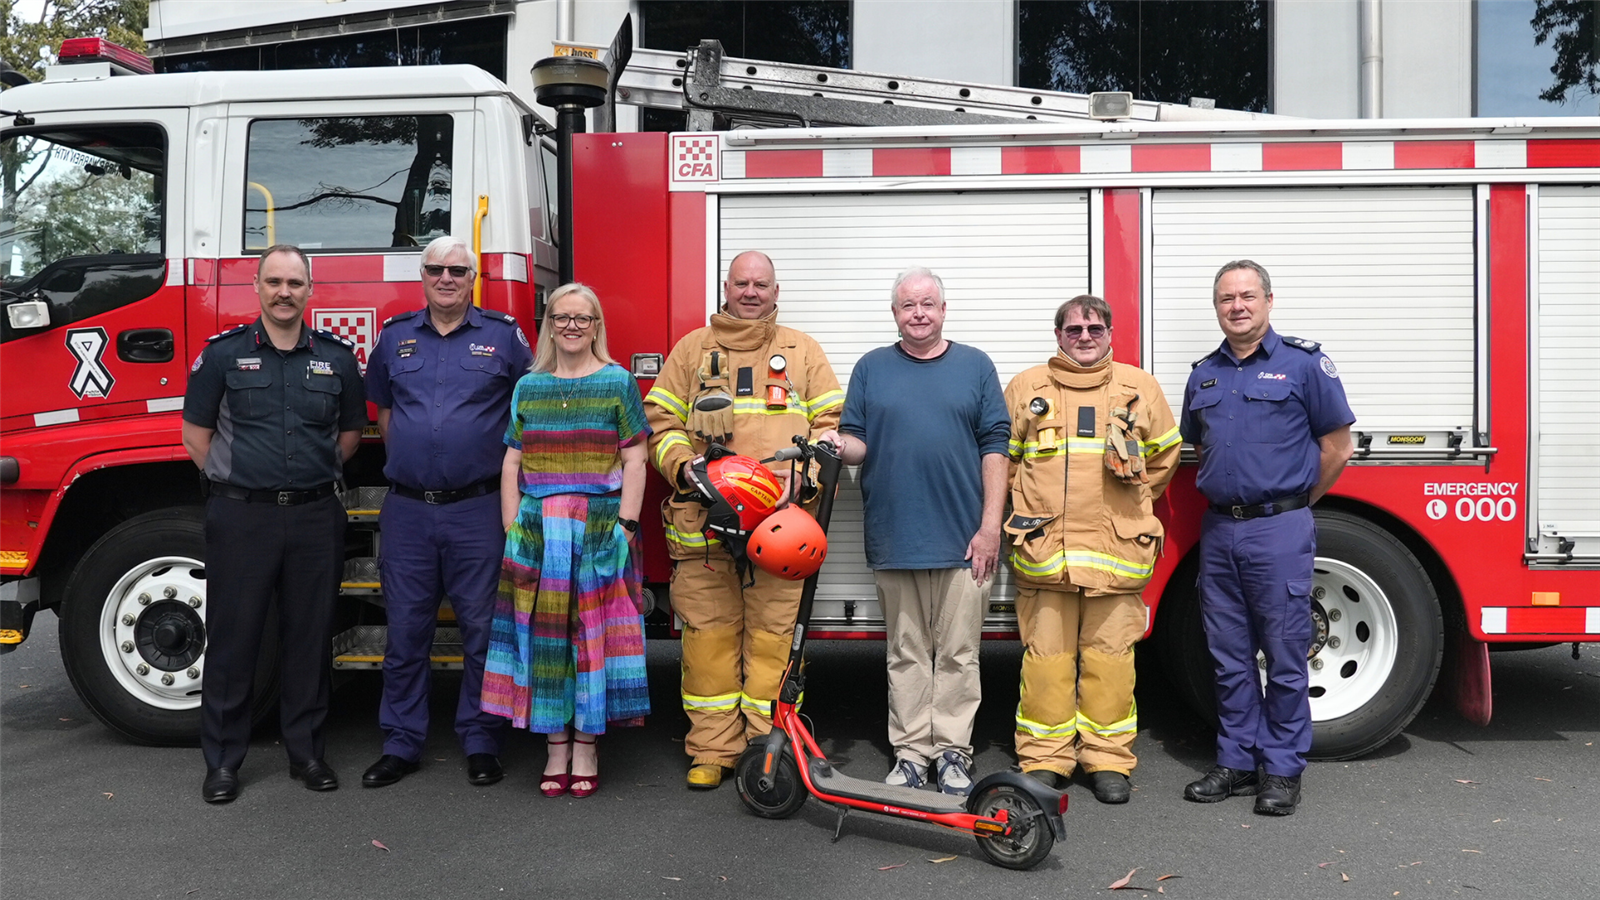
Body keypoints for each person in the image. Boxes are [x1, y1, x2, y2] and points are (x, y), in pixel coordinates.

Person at [644, 250, 844, 789]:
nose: (751, 292)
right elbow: (659, 424)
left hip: (782, 526)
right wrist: (685, 469)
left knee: (774, 640)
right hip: (704, 525)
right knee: (708, 642)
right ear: (726, 288)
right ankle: (712, 750)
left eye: (761, 284)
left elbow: (831, 428)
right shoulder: (692, 349)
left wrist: (806, 479)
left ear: (776, 292)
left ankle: (767, 747)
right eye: (741, 283)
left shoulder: (802, 351)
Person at [181, 244, 367, 803]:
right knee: (234, 640)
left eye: (295, 283)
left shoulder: (337, 358)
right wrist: (243, 481)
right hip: (242, 516)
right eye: (274, 282)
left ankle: (306, 754)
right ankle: (222, 763)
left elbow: (349, 437)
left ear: (310, 290)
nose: (284, 292)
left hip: (315, 516)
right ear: (257, 287)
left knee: (309, 638)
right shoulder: (222, 355)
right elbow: (196, 436)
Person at [819, 267, 1008, 796]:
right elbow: (858, 442)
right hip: (895, 534)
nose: (918, 313)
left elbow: (996, 447)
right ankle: (910, 754)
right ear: (895, 313)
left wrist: (990, 528)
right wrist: (839, 444)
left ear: (943, 310)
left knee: (958, 654)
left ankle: (952, 753)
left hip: (965, 540)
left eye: (927, 304)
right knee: (905, 652)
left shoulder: (975, 366)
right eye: (908, 305)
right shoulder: (871, 368)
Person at [1179, 260, 1354, 817]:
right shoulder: (1203, 375)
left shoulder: (1304, 365)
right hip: (1219, 529)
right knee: (1228, 655)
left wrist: (1295, 504)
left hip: (1279, 528)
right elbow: (1199, 447)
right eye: (1226, 298)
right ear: (1217, 307)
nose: (1237, 306)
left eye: (1247, 296)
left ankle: (1281, 768)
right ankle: (1235, 761)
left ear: (1269, 301)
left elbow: (1338, 448)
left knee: (1283, 653)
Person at [359, 236, 533, 789]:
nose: (446, 278)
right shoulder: (395, 337)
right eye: (436, 269)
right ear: (423, 275)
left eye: (458, 270)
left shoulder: (503, 337)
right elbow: (385, 414)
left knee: (482, 631)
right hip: (409, 511)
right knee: (405, 634)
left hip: (478, 510)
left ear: (473, 278)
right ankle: (401, 743)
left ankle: (481, 739)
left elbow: (528, 410)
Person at [1001, 294, 1181, 804]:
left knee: (1111, 661)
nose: (1084, 337)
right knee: (1047, 660)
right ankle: (1045, 758)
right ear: (1058, 334)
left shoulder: (1139, 388)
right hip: (1045, 556)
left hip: (1115, 554)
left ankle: (1108, 760)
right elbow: (1003, 463)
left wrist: (1129, 508)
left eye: (1095, 328)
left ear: (1110, 334)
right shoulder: (1026, 387)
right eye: (1074, 329)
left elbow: (1164, 457)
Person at [480, 283, 651, 799]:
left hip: (600, 527)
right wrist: (512, 525)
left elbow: (636, 459)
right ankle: (556, 746)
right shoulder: (528, 386)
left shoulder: (618, 382)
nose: (572, 326)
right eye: (561, 317)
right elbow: (511, 461)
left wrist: (626, 526)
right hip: (538, 530)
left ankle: (587, 745)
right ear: (549, 326)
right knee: (545, 639)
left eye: (582, 318)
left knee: (593, 639)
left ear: (596, 327)